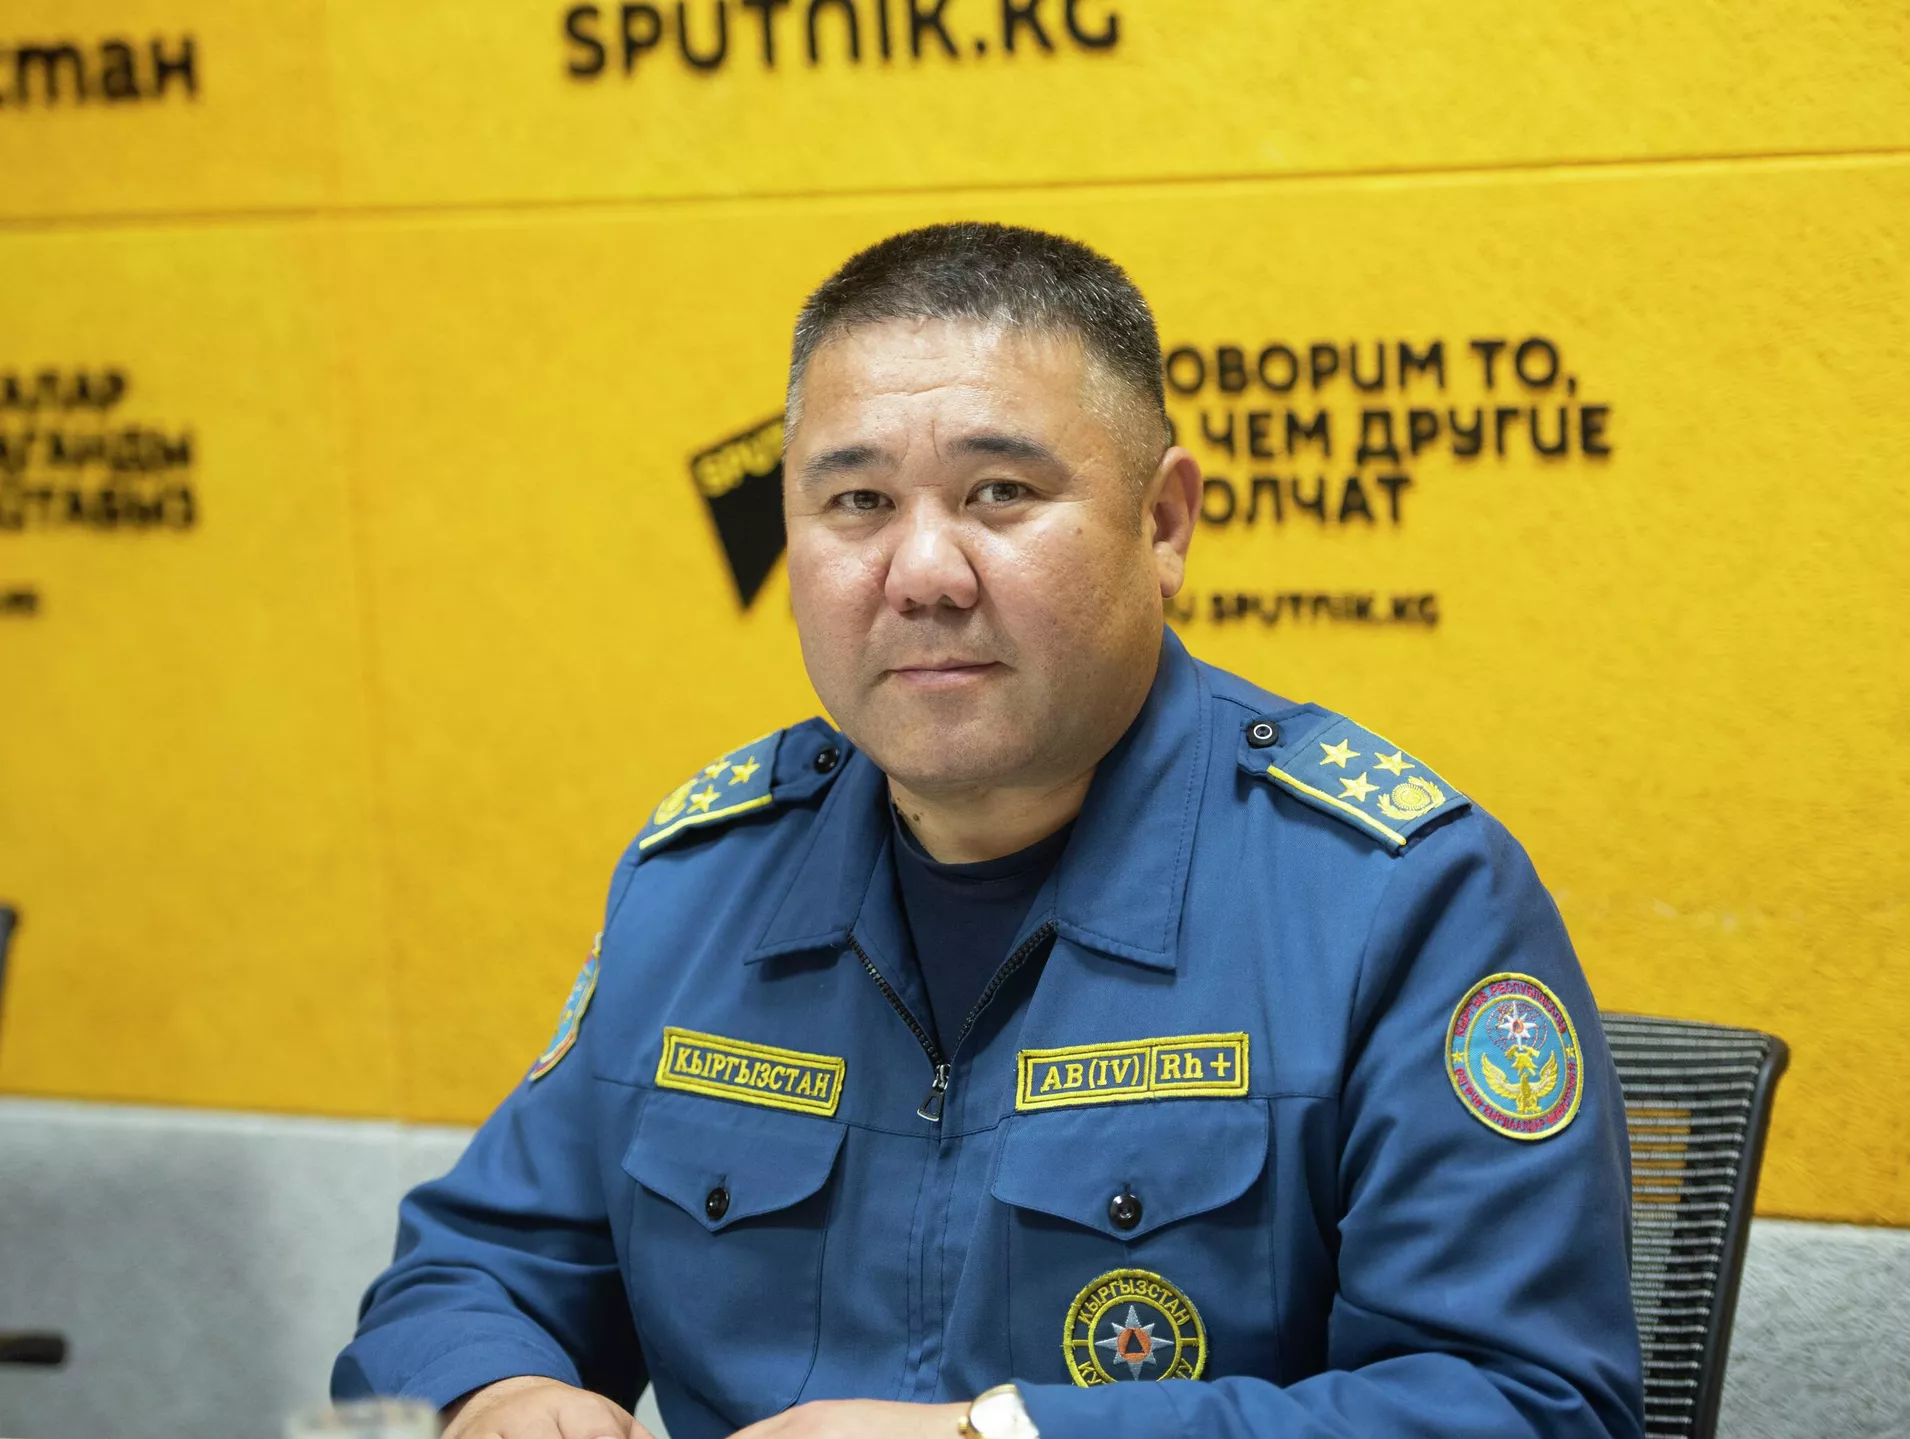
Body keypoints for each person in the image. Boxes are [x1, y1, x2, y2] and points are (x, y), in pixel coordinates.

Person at [333, 222, 1643, 1439]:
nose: (922, 574)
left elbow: (1523, 1406)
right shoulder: (702, 882)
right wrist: (500, 1393)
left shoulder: (1394, 900)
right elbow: (470, 1269)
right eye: (856, 503)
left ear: (1164, 522)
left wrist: (994, 1438)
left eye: (1001, 492)